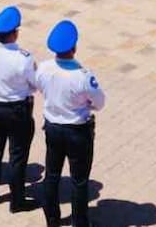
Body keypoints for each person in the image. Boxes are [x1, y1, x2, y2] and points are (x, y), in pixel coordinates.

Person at [38, 20, 105, 227]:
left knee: (52, 175)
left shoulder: (44, 68)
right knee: (79, 180)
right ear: (74, 48)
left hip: (53, 128)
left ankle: (52, 219)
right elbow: (100, 103)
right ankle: (80, 222)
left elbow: (39, 88)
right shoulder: (83, 76)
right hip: (77, 131)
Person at [0, 5, 39, 213]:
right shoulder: (24, 58)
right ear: (15, 32)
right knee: (17, 156)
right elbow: (34, 85)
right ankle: (17, 200)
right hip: (17, 110)